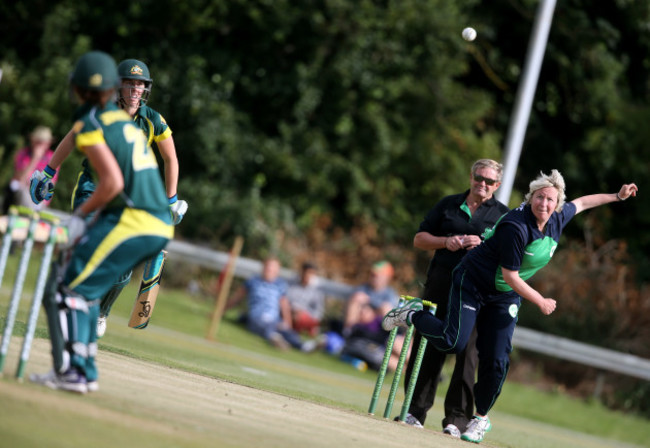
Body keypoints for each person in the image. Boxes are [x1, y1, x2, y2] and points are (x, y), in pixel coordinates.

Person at [382, 170, 638, 443]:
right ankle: (413, 314)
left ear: (557, 203)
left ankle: (479, 418)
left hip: (503, 296)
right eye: (539, 198)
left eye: (550, 200)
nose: (544, 204)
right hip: (473, 282)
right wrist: (540, 300)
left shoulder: (558, 217)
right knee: (452, 342)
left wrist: (617, 196)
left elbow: (584, 202)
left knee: (497, 359)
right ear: (531, 199)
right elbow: (511, 276)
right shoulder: (516, 226)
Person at [30, 50, 174, 393]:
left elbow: (111, 183)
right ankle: (82, 372)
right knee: (82, 288)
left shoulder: (96, 120)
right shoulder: (126, 124)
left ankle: (73, 370)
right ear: (114, 86)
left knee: (65, 287)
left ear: (79, 89)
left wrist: (79, 218)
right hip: (152, 221)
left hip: (133, 219)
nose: (137, 89)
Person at [402, 159, 509, 434]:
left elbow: (509, 258)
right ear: (471, 176)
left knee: (468, 355)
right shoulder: (449, 204)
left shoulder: (502, 215)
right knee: (428, 348)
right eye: (478, 177)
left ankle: (456, 420)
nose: (482, 184)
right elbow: (419, 239)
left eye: (488, 181)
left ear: (497, 185)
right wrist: (445, 242)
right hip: (440, 285)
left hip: (475, 293)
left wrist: (482, 247)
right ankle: (414, 412)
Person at [227, 257, 317, 352]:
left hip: (274, 320)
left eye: (272, 268)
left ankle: (303, 346)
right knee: (264, 326)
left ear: (277, 270)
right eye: (268, 267)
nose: (269, 270)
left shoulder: (280, 284)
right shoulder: (253, 281)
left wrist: (288, 324)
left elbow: (284, 306)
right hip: (256, 317)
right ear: (263, 267)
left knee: (285, 330)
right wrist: (219, 312)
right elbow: (236, 299)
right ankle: (274, 338)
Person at [3, 126, 58, 213]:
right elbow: (21, 179)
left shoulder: (52, 158)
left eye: (44, 142)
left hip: (39, 196)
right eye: (39, 142)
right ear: (33, 141)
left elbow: (50, 186)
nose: (42, 145)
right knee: (22, 191)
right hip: (21, 192)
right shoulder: (23, 154)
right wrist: (35, 159)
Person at [342, 260, 399, 335]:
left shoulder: (390, 293)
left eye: (376, 275)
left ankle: (387, 336)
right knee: (356, 300)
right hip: (361, 317)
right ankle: (348, 331)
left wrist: (371, 309)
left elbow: (389, 310)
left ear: (386, 278)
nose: (373, 277)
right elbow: (355, 297)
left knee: (385, 308)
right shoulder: (363, 287)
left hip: (378, 322)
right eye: (372, 274)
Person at [286, 261, 326, 337]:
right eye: (307, 273)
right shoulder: (291, 283)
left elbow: (318, 312)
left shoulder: (318, 290)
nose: (308, 276)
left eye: (312, 274)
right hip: (289, 312)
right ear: (302, 272)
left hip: (306, 316)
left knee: (299, 318)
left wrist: (303, 313)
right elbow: (285, 299)